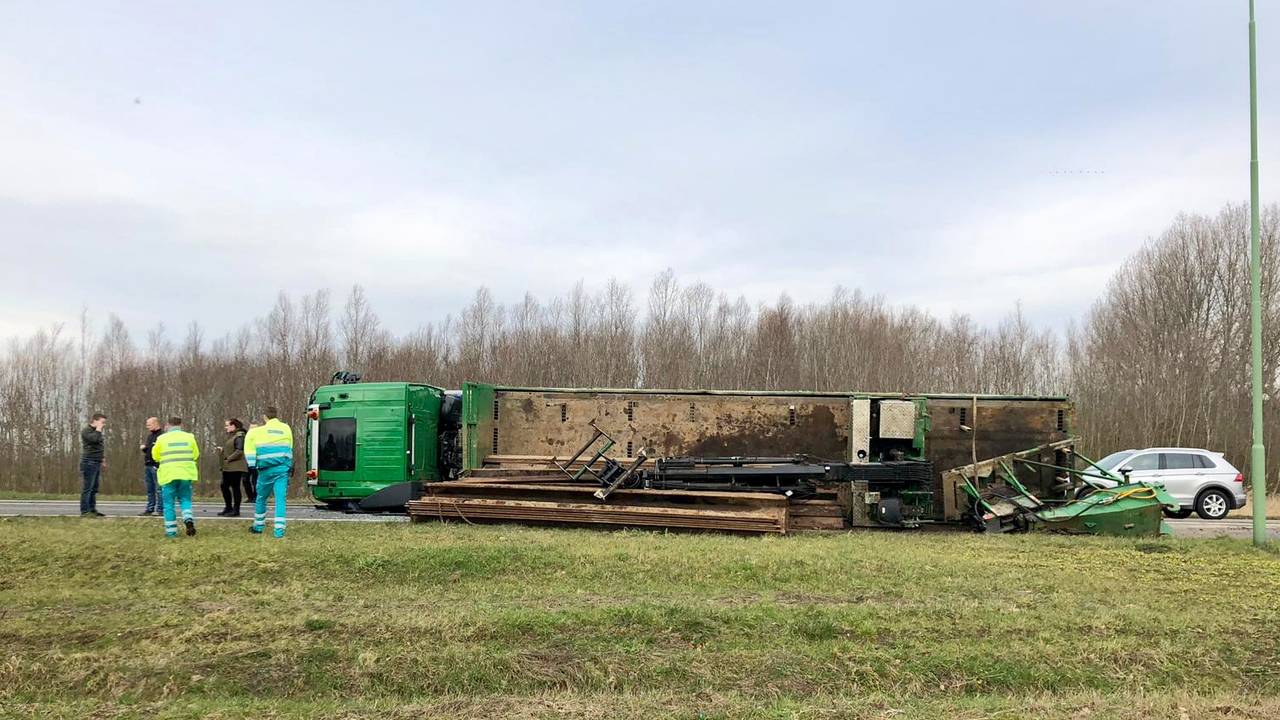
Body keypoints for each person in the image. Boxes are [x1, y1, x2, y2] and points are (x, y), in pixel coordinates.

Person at [244, 406, 293, 538]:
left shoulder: (256, 432)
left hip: (265, 470)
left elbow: (248, 449)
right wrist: (289, 465)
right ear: (276, 415)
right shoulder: (286, 428)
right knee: (280, 499)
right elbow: (290, 447)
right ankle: (279, 531)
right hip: (282, 469)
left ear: (264, 417)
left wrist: (252, 464)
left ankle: (258, 526)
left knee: (261, 498)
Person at [151, 416, 200, 538]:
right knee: (185, 500)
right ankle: (188, 518)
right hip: (186, 474)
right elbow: (196, 454)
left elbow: (155, 456)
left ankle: (171, 531)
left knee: (169, 504)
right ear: (181, 425)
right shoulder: (190, 437)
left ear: (168, 425)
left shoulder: (161, 438)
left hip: (169, 474)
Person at [217, 418, 249, 516]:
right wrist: (223, 450)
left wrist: (228, 459)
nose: (225, 427)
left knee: (235, 487)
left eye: (227, 425)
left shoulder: (239, 436)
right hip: (229, 467)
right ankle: (228, 507)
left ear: (233, 426)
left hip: (235, 467)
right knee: (224, 486)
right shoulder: (233, 436)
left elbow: (239, 450)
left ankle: (236, 510)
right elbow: (233, 448)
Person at [80, 413, 107, 517]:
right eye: (102, 422)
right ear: (95, 421)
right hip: (89, 462)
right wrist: (98, 429)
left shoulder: (97, 433)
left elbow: (99, 445)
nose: (103, 425)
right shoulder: (86, 431)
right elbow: (94, 440)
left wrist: (102, 459)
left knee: (94, 487)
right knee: (88, 487)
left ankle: (92, 509)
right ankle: (85, 511)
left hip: (97, 461)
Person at [138, 417, 162, 515]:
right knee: (150, 489)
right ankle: (150, 508)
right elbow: (149, 450)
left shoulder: (161, 436)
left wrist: (157, 465)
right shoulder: (150, 436)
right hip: (148, 465)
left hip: (156, 466)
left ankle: (160, 509)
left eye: (149, 424)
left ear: (155, 423)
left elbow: (159, 451)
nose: (147, 427)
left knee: (159, 489)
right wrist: (144, 449)